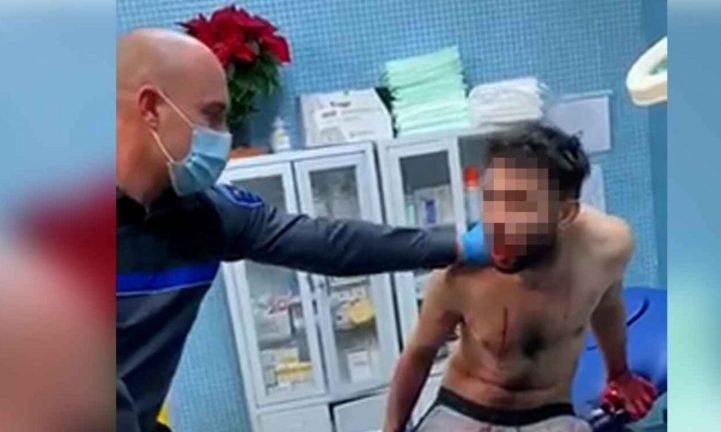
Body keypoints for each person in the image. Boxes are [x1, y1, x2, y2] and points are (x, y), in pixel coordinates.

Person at [116, 29, 490, 432]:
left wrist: (454, 245)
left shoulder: (207, 216)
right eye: (212, 115)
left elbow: (326, 242)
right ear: (151, 108)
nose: (224, 137)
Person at [383, 122, 657, 432]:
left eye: (517, 204)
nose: (497, 221)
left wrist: (619, 375)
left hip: (548, 414)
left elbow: (607, 305)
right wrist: (392, 429)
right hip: (465, 411)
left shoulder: (607, 248)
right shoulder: (461, 273)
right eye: (490, 198)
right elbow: (420, 351)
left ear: (564, 213)